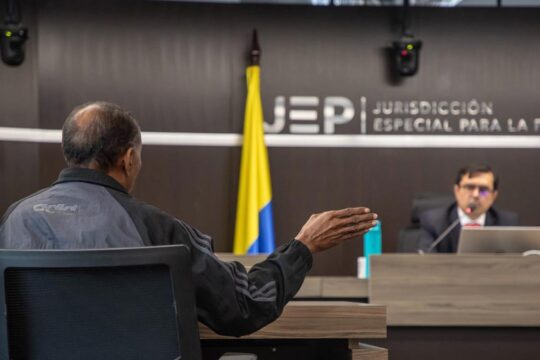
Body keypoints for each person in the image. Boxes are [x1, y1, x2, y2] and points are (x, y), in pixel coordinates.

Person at [0, 101, 378, 337]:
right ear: (129, 159)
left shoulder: (14, 220)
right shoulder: (157, 230)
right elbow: (244, 306)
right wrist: (304, 246)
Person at [417, 164, 518, 253]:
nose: (475, 195)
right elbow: (426, 260)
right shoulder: (434, 222)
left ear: (494, 196)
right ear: (457, 191)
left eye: (483, 190)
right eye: (469, 187)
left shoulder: (506, 223)